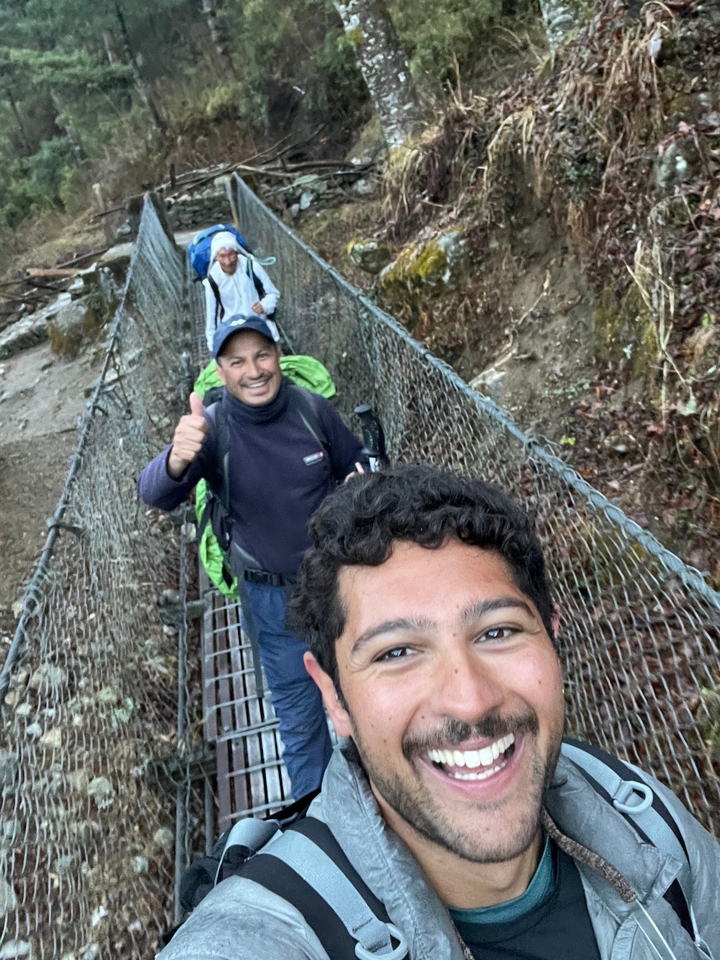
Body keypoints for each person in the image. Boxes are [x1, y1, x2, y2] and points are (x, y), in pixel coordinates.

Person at [159, 465, 720, 960]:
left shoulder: (644, 821)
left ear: (552, 639)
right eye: (397, 653)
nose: (471, 700)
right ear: (332, 696)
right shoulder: (265, 935)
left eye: (497, 632)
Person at [137, 314, 367, 799]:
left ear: (278, 355)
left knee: (366, 696)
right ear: (220, 372)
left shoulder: (312, 410)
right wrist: (178, 458)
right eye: (237, 361)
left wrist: (361, 483)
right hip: (271, 601)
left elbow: (354, 463)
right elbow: (155, 493)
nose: (254, 370)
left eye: (262, 355)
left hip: (339, 587)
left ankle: (385, 802)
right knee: (300, 718)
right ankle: (318, 828)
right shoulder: (212, 430)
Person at [204, 231, 280, 353]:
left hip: (259, 325)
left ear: (236, 252)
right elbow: (212, 318)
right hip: (233, 332)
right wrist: (214, 348)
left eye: (231, 255)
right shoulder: (213, 281)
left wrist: (264, 305)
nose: (228, 261)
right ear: (215, 257)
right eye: (222, 256)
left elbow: (273, 293)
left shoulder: (251, 266)